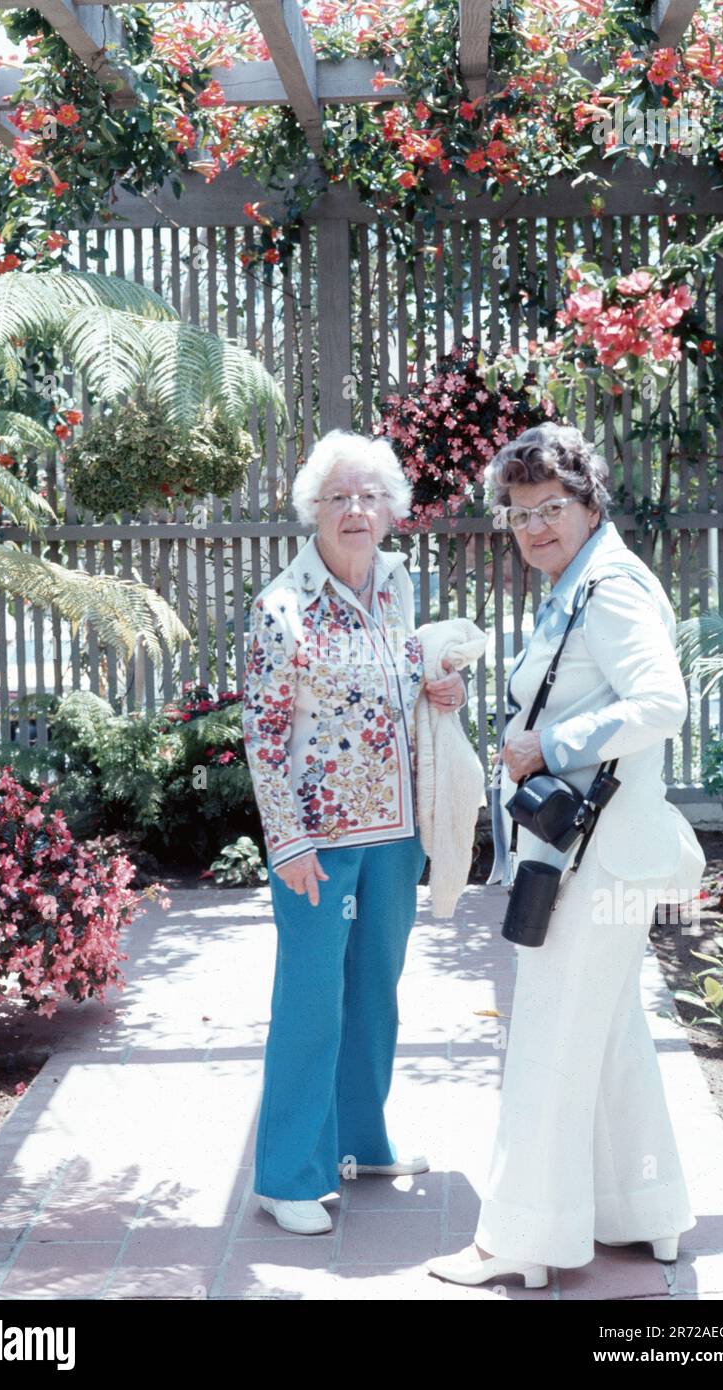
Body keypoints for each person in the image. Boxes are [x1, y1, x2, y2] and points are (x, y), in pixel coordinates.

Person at [428, 421, 705, 1287]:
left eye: (551, 507)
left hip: (595, 858)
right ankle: (645, 1211)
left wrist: (548, 744)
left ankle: (519, 1241)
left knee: (549, 1039)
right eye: (519, 514)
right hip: (597, 852)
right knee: (609, 1033)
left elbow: (661, 702)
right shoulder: (584, 582)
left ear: (589, 504)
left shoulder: (610, 588)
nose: (535, 527)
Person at [242, 427, 466, 1235]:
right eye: (338, 496)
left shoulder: (397, 586)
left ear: (391, 508)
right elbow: (264, 734)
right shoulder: (281, 609)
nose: (355, 510)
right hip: (320, 844)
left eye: (370, 495)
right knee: (310, 1003)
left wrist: (440, 692)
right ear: (314, 508)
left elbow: (406, 685)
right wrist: (288, 842)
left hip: (396, 834)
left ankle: (361, 1143)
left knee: (376, 992)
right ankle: (287, 1176)